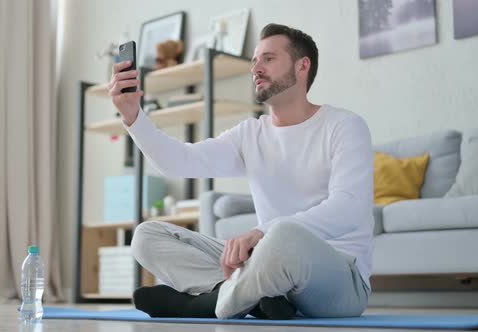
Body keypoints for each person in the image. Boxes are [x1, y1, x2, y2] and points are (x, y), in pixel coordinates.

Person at [108, 23, 373, 320]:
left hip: (340, 278)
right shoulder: (250, 133)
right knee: (146, 236)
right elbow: (179, 161)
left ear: (303, 66)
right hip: (268, 261)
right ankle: (257, 299)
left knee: (283, 236)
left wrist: (262, 233)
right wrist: (132, 115)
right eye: (255, 61)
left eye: (269, 59)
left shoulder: (344, 126)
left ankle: (203, 305)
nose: (256, 68)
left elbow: (349, 209)